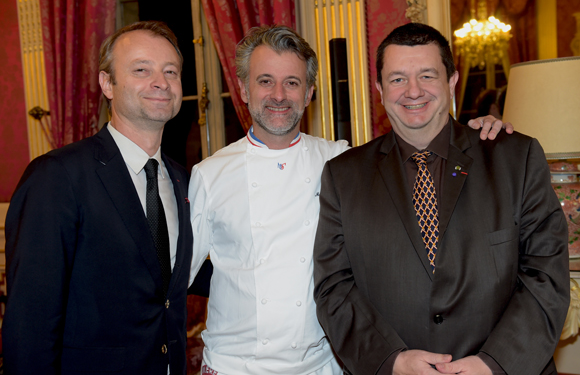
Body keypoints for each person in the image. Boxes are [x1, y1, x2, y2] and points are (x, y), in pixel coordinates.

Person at [188, 25, 512, 375]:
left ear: (310, 91)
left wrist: (480, 131)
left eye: (293, 83)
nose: (278, 95)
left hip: (321, 365)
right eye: (265, 81)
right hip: (236, 366)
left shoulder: (342, 162)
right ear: (243, 89)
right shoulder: (210, 174)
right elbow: (181, 278)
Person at [313, 23, 570, 375]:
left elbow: (546, 275)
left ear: (452, 81)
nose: (413, 91)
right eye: (398, 78)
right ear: (379, 89)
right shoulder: (343, 176)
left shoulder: (514, 158)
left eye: (427, 75)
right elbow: (334, 287)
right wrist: (392, 361)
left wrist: (494, 364)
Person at [3, 21, 211, 374]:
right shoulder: (57, 176)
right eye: (141, 70)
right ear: (107, 83)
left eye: (170, 71)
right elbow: (31, 322)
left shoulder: (184, 180)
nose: (160, 82)